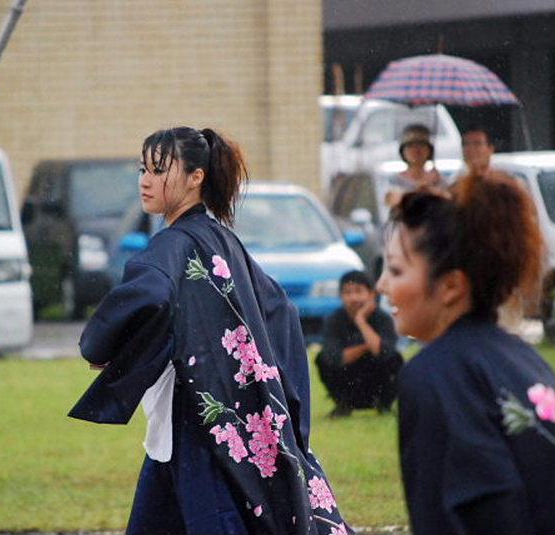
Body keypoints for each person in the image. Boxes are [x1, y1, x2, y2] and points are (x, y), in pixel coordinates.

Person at [69, 126, 352, 534]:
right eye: (143, 169)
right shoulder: (223, 240)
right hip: (221, 417)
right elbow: (281, 313)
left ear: (196, 176)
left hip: (201, 430)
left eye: (159, 169)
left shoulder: (171, 248)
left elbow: (131, 309)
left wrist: (108, 350)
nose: (145, 180)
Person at [377, 174, 555, 534]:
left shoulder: (431, 375)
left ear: (451, 286)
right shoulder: (526, 361)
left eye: (397, 270)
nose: (382, 285)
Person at [315, 270, 403, 418]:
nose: (353, 297)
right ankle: (343, 405)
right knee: (322, 358)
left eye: (358, 291)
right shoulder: (334, 320)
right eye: (347, 292)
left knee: (395, 359)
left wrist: (361, 321)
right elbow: (336, 358)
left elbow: (383, 353)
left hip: (377, 381)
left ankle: (384, 405)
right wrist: (366, 347)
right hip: (348, 380)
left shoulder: (383, 319)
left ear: (371, 294)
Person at [384, 124, 443, 208]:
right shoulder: (393, 181)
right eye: (410, 145)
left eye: (421, 144)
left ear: (429, 150)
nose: (416, 150)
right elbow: (391, 200)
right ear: (403, 151)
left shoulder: (439, 180)